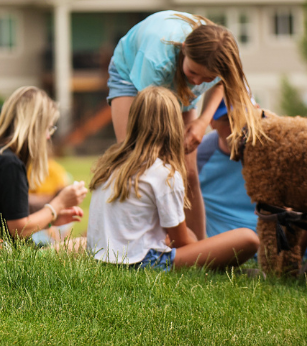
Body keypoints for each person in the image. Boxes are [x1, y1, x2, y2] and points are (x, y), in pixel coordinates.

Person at [106, 11, 262, 238]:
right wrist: (167, 153)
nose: (198, 82)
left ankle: (199, 248)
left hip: (177, 85)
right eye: (194, 73)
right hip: (132, 78)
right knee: (137, 162)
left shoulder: (218, 58)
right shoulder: (156, 59)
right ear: (183, 48)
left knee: (188, 172)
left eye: (207, 79)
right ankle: (137, 241)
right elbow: (150, 111)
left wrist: (202, 122)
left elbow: (222, 84)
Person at [88, 86, 259, 271]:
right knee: (247, 238)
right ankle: (223, 268)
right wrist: (195, 241)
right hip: (142, 263)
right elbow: (181, 241)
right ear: (175, 126)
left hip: (101, 259)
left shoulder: (111, 165)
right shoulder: (164, 174)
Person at [0, 86, 87, 246]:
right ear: (34, 127)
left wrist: (51, 220)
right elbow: (18, 229)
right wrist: (58, 204)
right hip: (3, 254)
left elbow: (10, 217)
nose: (47, 137)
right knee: (83, 245)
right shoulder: (10, 164)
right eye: (48, 128)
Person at [195, 100, 257, 237]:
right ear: (212, 122)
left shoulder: (274, 153)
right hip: (226, 247)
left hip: (274, 241)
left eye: (242, 118)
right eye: (227, 120)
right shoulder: (196, 157)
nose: (236, 128)